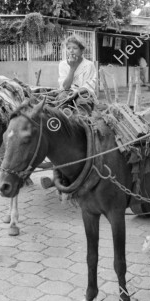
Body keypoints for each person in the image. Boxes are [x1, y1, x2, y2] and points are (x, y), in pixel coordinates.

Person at [41, 35, 98, 189]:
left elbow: (90, 85)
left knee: (80, 110)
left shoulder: (89, 65)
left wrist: (78, 92)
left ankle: (80, 133)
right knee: (57, 107)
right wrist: (72, 68)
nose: (71, 51)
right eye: (69, 48)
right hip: (66, 92)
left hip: (83, 93)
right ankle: (58, 132)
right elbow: (65, 86)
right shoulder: (63, 65)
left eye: (75, 48)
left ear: (81, 50)